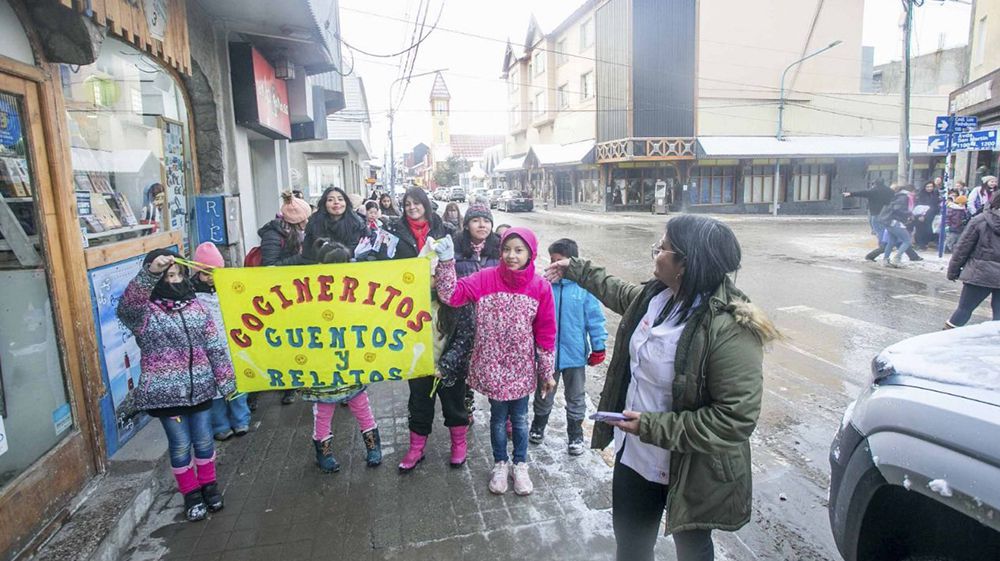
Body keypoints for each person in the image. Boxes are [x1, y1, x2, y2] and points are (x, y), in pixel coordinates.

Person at [544, 215, 777, 561]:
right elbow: (618, 291)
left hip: (694, 467)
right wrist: (575, 268)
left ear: (685, 262)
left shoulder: (729, 327)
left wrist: (653, 427)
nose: (655, 253)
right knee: (632, 548)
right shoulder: (657, 297)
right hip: (636, 456)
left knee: (693, 551)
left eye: (662, 248)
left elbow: (735, 418)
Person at [432, 227, 557, 496]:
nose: (512, 255)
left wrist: (547, 372)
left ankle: (520, 465)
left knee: (521, 420)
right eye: (507, 249)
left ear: (530, 254)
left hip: (521, 368)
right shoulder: (485, 279)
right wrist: (445, 262)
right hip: (491, 366)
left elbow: (546, 333)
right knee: (498, 419)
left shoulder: (540, 287)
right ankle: (500, 464)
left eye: (519, 250)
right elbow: (450, 294)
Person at [116, 249, 236, 522]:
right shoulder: (145, 313)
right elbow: (127, 307)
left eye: (178, 274)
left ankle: (209, 486)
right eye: (167, 276)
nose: (174, 280)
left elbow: (215, 347)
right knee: (181, 445)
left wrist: (226, 381)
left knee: (204, 441)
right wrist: (151, 272)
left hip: (202, 389)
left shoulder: (197, 306)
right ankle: (191, 494)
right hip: (167, 395)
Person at [386, 188, 457, 471]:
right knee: (418, 383)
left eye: (417, 203)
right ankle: (416, 447)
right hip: (408, 312)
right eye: (407, 204)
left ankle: (459, 442)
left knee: (450, 379)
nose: (412, 207)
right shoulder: (394, 232)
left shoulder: (445, 229)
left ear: (427, 204)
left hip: (443, 310)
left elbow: (458, 265)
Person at [300, 239, 383, 471]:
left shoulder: (355, 292)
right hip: (322, 368)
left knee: (362, 407)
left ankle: (373, 447)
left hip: (351, 365)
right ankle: (323, 453)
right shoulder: (308, 294)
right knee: (323, 412)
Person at [529, 238, 607, 456]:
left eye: (560, 261)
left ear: (572, 262)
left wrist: (598, 346)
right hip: (547, 354)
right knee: (544, 392)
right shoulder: (544, 286)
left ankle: (575, 433)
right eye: (552, 260)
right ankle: (538, 424)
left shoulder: (583, 289)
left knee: (576, 396)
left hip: (574, 355)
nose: (554, 265)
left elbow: (595, 319)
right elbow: (532, 318)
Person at [436, 203, 501, 440]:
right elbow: (446, 282)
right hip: (462, 319)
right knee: (464, 367)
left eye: (486, 221)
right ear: (467, 224)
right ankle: (468, 406)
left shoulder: (500, 249)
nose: (482, 225)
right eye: (476, 220)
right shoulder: (455, 249)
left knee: (495, 366)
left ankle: (501, 411)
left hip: (493, 320)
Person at [255, 191, 313, 406]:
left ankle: (304, 376)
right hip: (281, 296)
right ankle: (288, 384)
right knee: (288, 341)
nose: (307, 222)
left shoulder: (300, 232)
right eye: (304, 219)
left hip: (301, 292)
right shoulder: (273, 234)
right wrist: (302, 259)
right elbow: (269, 267)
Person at [191, 242, 251, 441]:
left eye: (215, 271)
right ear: (197, 272)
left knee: (237, 383)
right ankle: (220, 425)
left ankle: (241, 420)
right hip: (206, 349)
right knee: (214, 388)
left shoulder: (230, 289)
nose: (210, 277)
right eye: (205, 272)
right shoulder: (191, 295)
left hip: (232, 344)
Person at [945, 195, 1000, 327]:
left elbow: (963, 247)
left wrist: (953, 271)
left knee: (963, 311)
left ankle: (947, 340)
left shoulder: (980, 220)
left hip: (979, 274)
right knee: (998, 319)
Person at [302, 187, 367, 263]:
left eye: (340, 199)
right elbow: (307, 253)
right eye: (330, 200)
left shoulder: (357, 222)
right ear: (324, 204)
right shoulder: (314, 222)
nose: (336, 202)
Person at [878, 183, 915, 268]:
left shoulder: (897, 195)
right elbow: (898, 209)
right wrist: (909, 214)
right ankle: (897, 259)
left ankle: (885, 260)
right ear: (911, 191)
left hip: (887, 221)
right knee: (907, 240)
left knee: (891, 241)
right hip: (894, 221)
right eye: (914, 192)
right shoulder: (904, 197)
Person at [913, 181, 941, 250]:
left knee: (929, 230)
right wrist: (920, 215)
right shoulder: (921, 195)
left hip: (931, 215)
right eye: (928, 187)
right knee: (920, 230)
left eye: (931, 187)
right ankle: (920, 244)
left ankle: (925, 243)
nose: (929, 188)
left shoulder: (935, 194)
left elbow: (935, 204)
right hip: (921, 215)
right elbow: (918, 206)